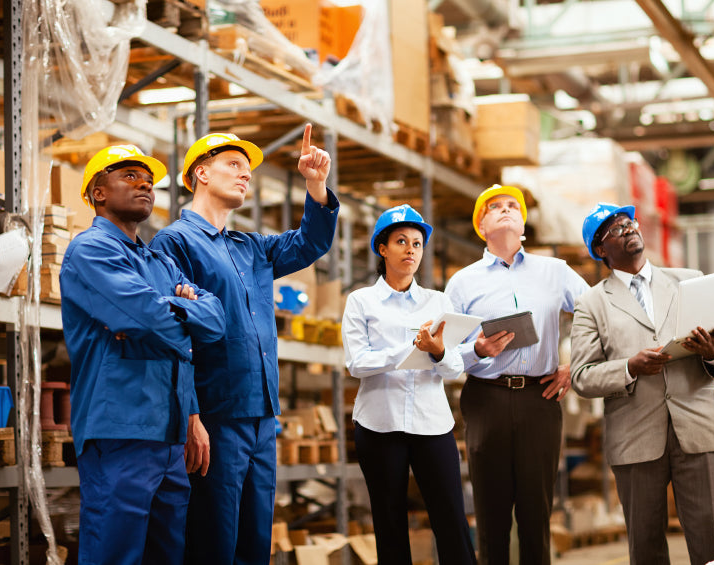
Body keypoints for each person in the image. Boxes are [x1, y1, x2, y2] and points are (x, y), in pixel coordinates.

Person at [149, 125, 339, 564]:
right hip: (215, 415)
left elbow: (311, 241)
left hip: (261, 417)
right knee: (214, 540)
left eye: (248, 170)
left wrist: (315, 185)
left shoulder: (250, 247)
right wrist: (191, 414)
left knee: (255, 541)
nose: (245, 175)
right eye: (233, 165)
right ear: (201, 172)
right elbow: (174, 335)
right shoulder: (174, 242)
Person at [60, 145, 225, 565]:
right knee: (115, 552)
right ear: (98, 192)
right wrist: (184, 313)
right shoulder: (91, 251)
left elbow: (215, 322)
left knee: (167, 553)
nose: (146, 184)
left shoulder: (159, 263)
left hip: (169, 434)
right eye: (130, 176)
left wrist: (190, 414)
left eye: (148, 178)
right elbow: (148, 321)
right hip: (120, 430)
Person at [570, 202, 714, 565]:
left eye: (629, 223)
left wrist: (712, 353)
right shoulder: (592, 304)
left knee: (712, 539)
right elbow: (581, 376)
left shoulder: (689, 280)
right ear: (600, 250)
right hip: (635, 436)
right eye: (615, 230)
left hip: (697, 427)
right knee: (645, 546)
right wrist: (629, 367)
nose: (628, 230)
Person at [444, 184, 589, 565]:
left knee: (535, 512)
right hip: (485, 398)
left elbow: (598, 315)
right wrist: (477, 349)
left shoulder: (555, 272)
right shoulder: (462, 283)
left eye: (513, 206)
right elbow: (444, 354)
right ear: (482, 226)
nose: (506, 210)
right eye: (495, 208)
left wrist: (576, 364)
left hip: (538, 399)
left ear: (523, 224)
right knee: (491, 516)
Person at [342, 204, 477, 565]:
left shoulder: (439, 302)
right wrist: (410, 349)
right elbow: (357, 362)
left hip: (432, 425)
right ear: (382, 249)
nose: (410, 250)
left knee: (451, 518)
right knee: (389, 524)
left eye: (417, 243)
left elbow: (453, 368)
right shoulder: (361, 301)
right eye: (401, 241)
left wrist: (436, 352)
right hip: (378, 424)